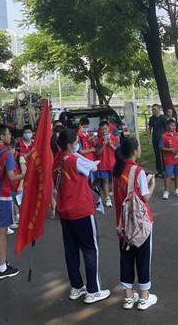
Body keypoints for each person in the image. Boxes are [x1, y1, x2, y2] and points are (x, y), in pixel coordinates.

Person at [53, 129, 111, 304]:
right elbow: (93, 166)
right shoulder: (74, 160)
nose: (78, 144)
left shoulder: (57, 159)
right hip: (81, 210)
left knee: (71, 250)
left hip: (65, 211)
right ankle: (93, 290)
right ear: (70, 144)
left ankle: (76, 286)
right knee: (90, 249)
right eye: (76, 141)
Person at [113, 138, 158, 310]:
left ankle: (128, 297)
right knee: (143, 257)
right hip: (139, 223)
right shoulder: (138, 171)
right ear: (134, 151)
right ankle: (144, 297)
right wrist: (152, 184)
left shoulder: (117, 170)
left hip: (122, 223)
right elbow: (145, 197)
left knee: (126, 258)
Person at [0, 123, 25, 279]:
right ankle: (2, 268)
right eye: (8, 133)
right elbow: (11, 177)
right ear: (2, 136)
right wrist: (25, 172)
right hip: (2, 195)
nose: (10, 136)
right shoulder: (6, 153)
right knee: (2, 231)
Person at [95, 120, 118, 208]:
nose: (104, 131)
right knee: (105, 181)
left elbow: (118, 150)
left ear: (109, 128)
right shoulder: (99, 140)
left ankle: (117, 195)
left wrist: (111, 144)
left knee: (115, 180)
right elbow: (97, 153)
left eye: (105, 128)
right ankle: (107, 198)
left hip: (113, 163)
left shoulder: (114, 138)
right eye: (102, 129)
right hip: (103, 164)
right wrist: (104, 145)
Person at [159, 118, 178, 200]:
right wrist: (170, 150)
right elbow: (161, 147)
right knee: (168, 175)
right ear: (167, 126)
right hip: (168, 159)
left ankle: (177, 190)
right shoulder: (163, 136)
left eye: (174, 125)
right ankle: (166, 191)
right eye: (171, 125)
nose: (173, 127)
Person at [147, 104, 167, 177]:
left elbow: (166, 128)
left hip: (162, 139)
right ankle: (159, 170)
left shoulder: (163, 118)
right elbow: (149, 128)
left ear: (159, 109)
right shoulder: (152, 118)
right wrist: (149, 138)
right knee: (157, 155)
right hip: (155, 139)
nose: (154, 111)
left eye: (155, 109)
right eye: (153, 109)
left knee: (163, 155)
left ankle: (164, 170)